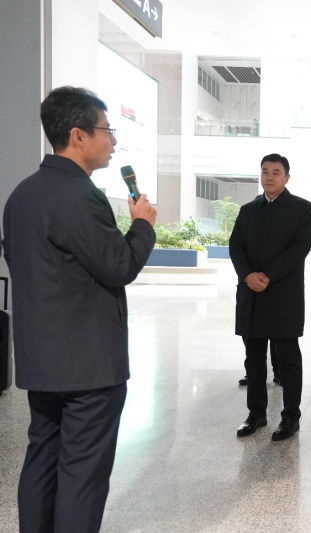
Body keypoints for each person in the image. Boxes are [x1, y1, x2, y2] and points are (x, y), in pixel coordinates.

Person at [3, 86, 157, 533]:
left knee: (42, 460)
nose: (114, 141)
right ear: (78, 135)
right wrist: (142, 226)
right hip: (88, 368)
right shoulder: (79, 196)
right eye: (107, 130)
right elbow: (119, 266)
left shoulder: (22, 195)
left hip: (41, 360)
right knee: (82, 476)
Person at [229, 153, 311, 441]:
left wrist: (266, 276)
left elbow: (299, 249)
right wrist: (247, 275)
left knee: (288, 359)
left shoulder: (302, 208)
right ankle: (256, 414)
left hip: (283, 295)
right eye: (265, 171)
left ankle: (290, 416)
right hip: (251, 294)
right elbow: (236, 246)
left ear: (286, 177)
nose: (269, 176)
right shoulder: (248, 210)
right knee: (253, 358)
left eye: (276, 172)